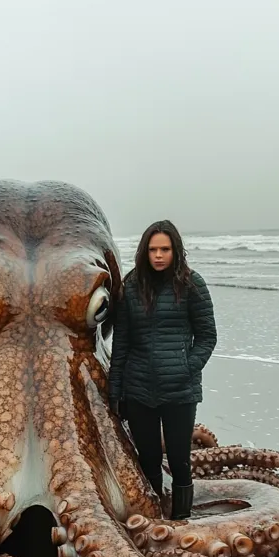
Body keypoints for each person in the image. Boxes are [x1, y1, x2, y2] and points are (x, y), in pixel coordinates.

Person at [108, 219, 217, 520]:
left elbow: (208, 336)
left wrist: (187, 367)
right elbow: (122, 342)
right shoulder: (131, 288)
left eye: (165, 249)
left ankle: (181, 519)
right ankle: (154, 521)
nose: (158, 255)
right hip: (139, 388)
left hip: (180, 392)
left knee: (181, 460)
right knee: (149, 460)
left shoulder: (192, 285)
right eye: (153, 249)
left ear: (175, 250)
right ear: (144, 252)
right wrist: (115, 390)